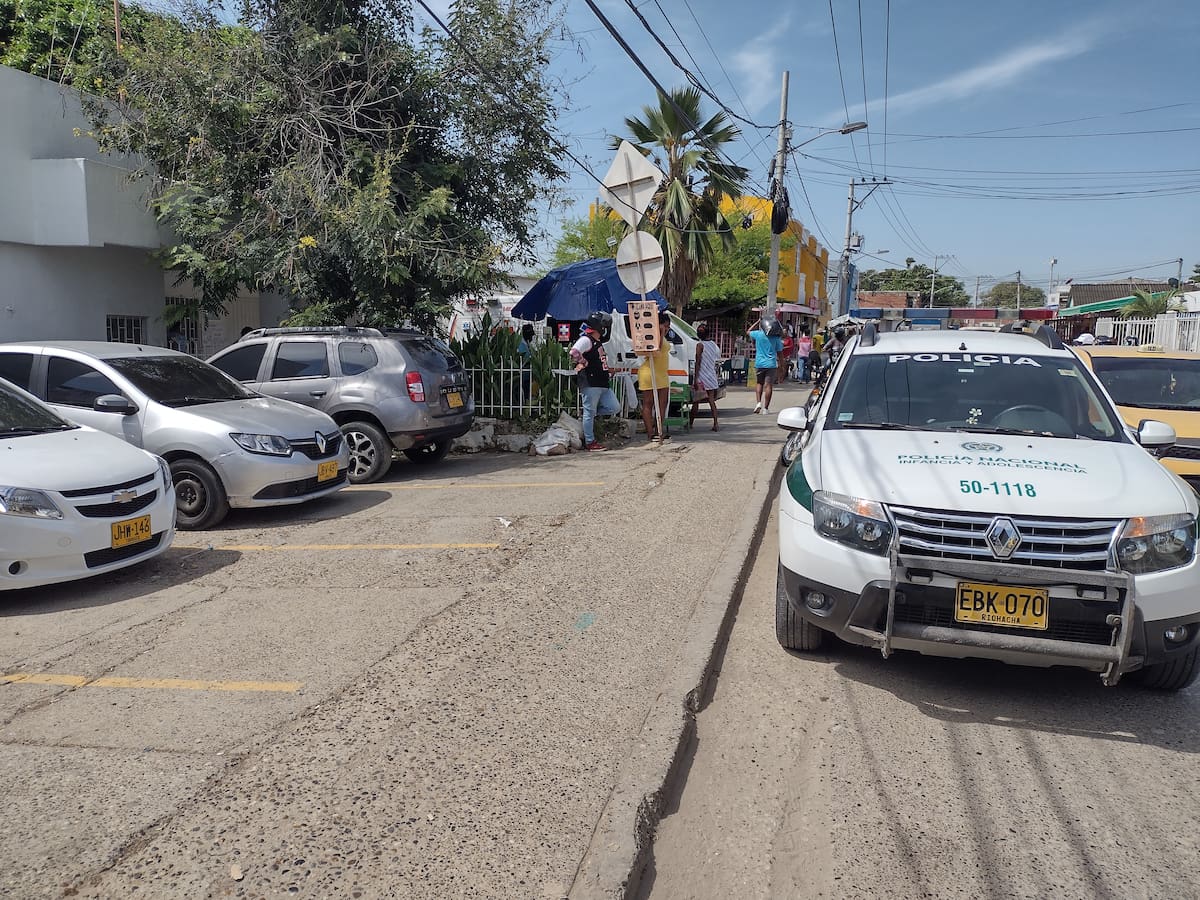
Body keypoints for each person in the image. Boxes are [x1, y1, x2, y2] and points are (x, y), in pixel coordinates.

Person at [569, 312, 620, 451]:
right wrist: (584, 362)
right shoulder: (586, 340)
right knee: (589, 412)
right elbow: (574, 352)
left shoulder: (597, 342)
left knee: (614, 407)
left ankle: (588, 416)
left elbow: (598, 360)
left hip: (602, 382)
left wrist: (608, 370)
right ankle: (590, 442)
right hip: (590, 382)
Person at [638, 310, 673, 442]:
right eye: (666, 326)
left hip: (662, 373)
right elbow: (656, 349)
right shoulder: (651, 336)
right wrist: (661, 332)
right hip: (649, 372)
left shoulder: (663, 336)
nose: (667, 329)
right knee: (649, 403)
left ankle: (659, 430)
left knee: (663, 403)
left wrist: (663, 332)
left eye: (668, 327)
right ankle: (650, 433)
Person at [747, 317, 784, 414]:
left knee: (759, 383)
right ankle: (766, 409)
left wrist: (757, 322)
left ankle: (758, 403)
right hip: (771, 364)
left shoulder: (758, 334)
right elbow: (780, 354)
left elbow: (748, 331)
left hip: (759, 363)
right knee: (768, 385)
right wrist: (782, 366)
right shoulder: (776, 338)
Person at [690, 322, 721, 431]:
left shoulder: (700, 345)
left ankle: (690, 423)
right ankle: (716, 423)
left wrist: (695, 378)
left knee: (696, 401)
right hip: (711, 375)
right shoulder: (713, 344)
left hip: (701, 375)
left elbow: (698, 362)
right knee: (711, 401)